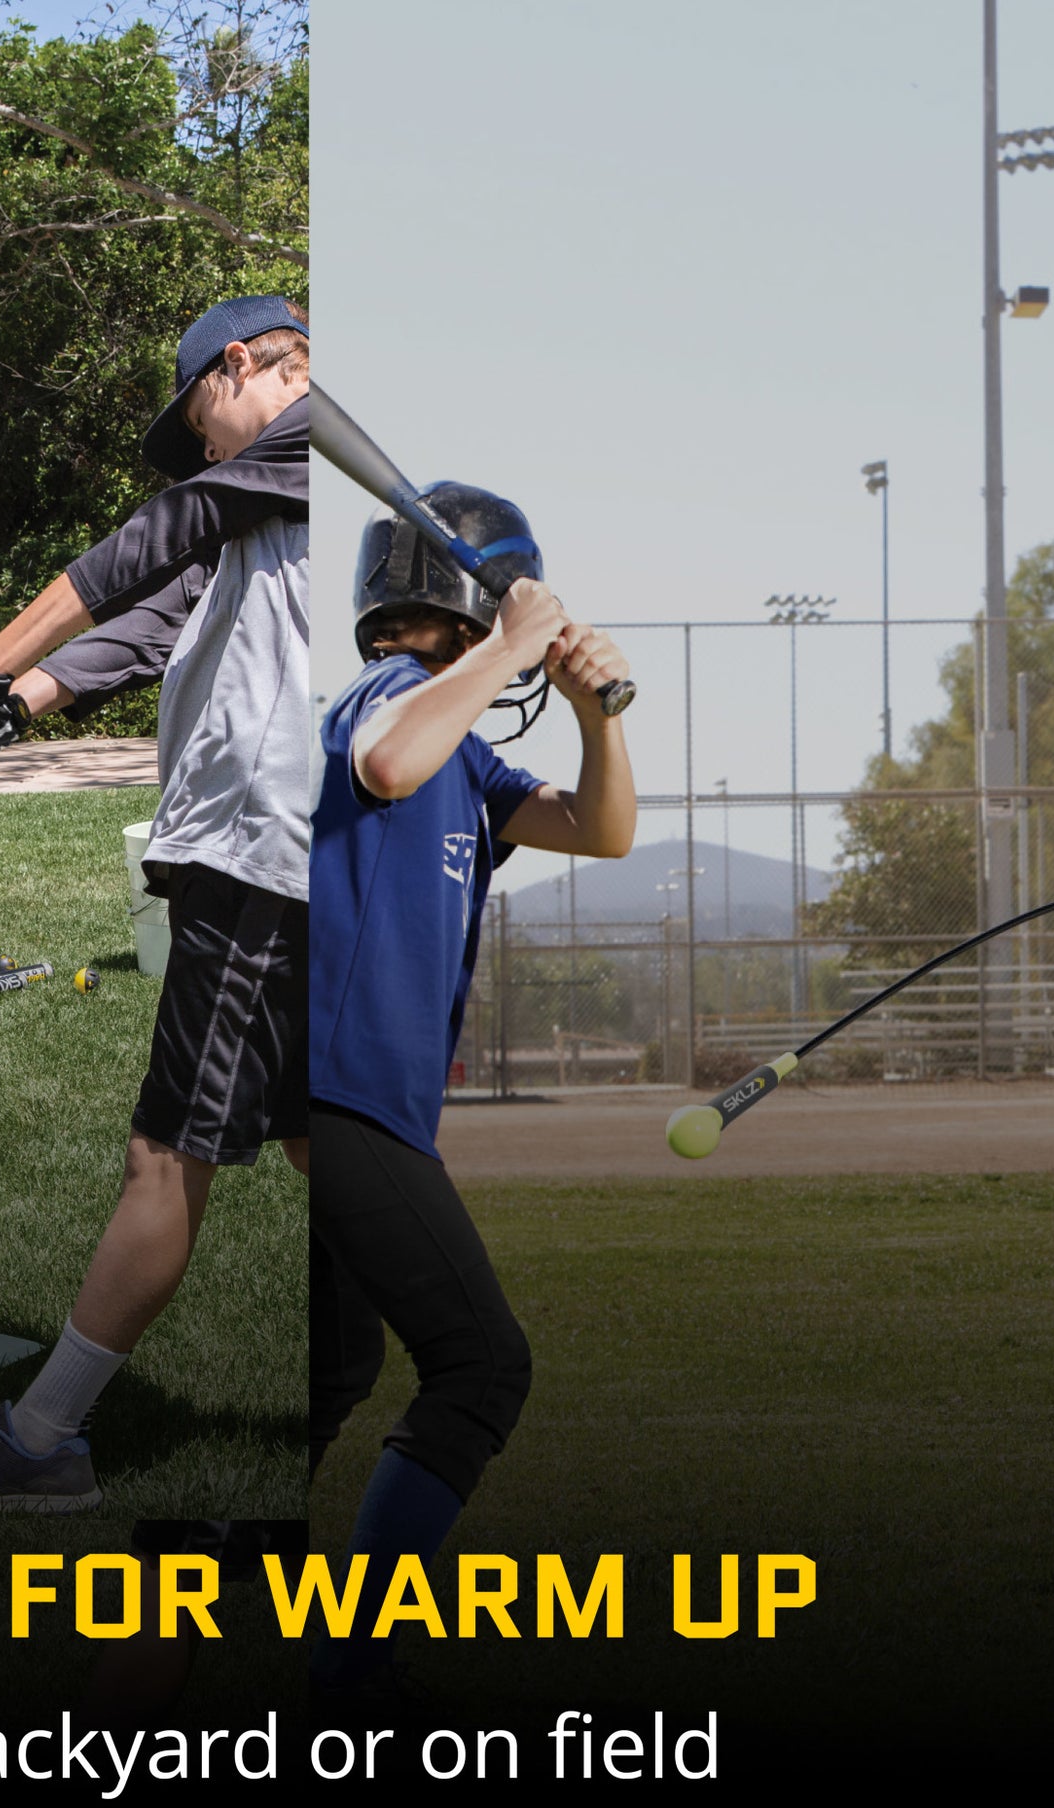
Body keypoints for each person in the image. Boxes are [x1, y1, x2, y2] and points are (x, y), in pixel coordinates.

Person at [0, 295, 310, 1508]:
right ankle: (454, 1364)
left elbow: (157, 535)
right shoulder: (264, 514)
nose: (211, 450)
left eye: (203, 423)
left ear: (243, 366)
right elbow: (139, 626)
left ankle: (40, 1440)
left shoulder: (313, 435)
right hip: (274, 863)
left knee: (166, 1154)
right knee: (308, 1135)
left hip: (258, 863)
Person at [307, 487, 635, 1697]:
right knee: (480, 1364)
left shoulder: (470, 753)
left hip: (363, 1107)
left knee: (332, 1370)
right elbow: (386, 761)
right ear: (471, 604)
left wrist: (600, 718)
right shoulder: (389, 699)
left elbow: (601, 831)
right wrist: (512, 639)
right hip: (335, 1095)